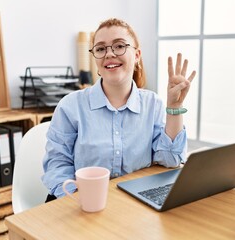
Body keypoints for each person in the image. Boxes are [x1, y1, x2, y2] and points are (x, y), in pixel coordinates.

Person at [42, 18, 196, 201]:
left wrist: (174, 107)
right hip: (82, 202)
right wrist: (78, 199)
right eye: (100, 48)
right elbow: (57, 165)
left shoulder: (152, 104)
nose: (109, 54)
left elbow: (170, 160)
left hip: (132, 202)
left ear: (137, 55)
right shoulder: (70, 106)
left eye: (119, 46)